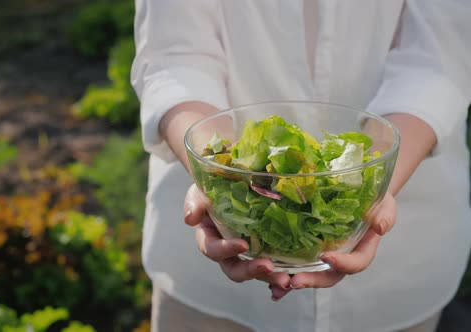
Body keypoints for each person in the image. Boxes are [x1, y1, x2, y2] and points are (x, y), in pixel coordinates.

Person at [131, 1, 471, 331]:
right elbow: (176, 55)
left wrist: (371, 181)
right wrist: (218, 172)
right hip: (210, 286)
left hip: (401, 272)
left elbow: (439, 56)